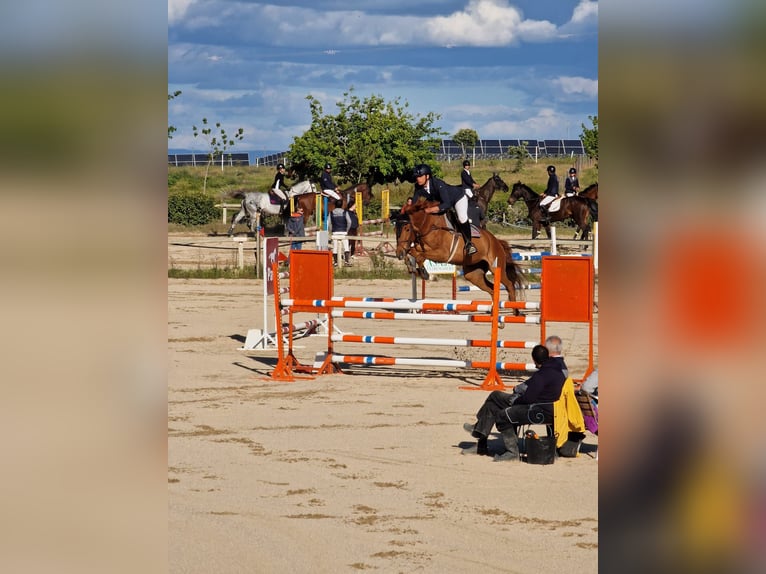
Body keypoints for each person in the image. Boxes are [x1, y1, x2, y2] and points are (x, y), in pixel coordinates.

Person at [462, 345, 566, 461]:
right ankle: (481, 444)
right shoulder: (555, 369)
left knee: (502, 414)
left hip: (538, 410)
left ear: (534, 360)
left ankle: (511, 452)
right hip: (548, 408)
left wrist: (516, 400)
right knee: (492, 404)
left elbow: (529, 398)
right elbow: (534, 389)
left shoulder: (541, 375)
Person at [412, 163, 477, 256]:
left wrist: (430, 210)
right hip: (442, 202)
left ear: (427, 176)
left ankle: (469, 244)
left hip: (457, 198)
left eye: (420, 176)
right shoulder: (418, 187)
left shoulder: (438, 184)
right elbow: (415, 204)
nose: (418, 179)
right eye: (417, 177)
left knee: (462, 218)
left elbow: (447, 204)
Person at [328, 198, 352, 266]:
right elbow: (349, 222)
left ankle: (335, 262)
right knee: (346, 246)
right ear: (341, 205)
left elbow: (329, 223)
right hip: (344, 232)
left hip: (335, 232)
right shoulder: (345, 212)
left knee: (335, 247)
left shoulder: (331, 213)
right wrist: (347, 229)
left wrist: (331, 230)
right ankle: (346, 261)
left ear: (335, 205)